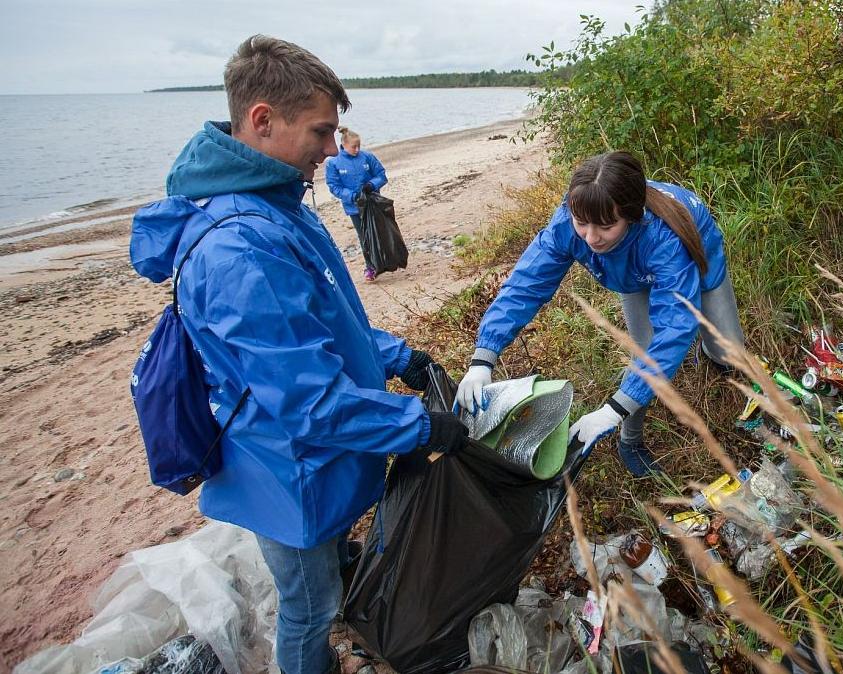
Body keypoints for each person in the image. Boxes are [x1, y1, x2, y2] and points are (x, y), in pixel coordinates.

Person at [128, 35, 467, 674]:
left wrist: (402, 359)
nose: (331, 149)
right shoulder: (239, 248)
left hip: (315, 464)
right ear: (262, 120)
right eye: (320, 131)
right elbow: (310, 403)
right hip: (287, 473)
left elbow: (327, 323)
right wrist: (420, 425)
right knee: (308, 608)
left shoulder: (278, 207)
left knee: (331, 577)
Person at [454, 151, 746, 477]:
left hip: (696, 251)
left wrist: (611, 409)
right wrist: (483, 358)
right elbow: (525, 285)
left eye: (605, 226)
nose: (591, 238)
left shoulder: (664, 239)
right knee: (643, 352)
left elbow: (676, 326)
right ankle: (630, 441)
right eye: (583, 224)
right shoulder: (569, 221)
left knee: (728, 352)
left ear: (632, 216)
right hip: (633, 273)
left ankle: (709, 353)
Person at [325, 126, 389, 281]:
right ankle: (371, 268)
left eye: (359, 146)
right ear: (344, 145)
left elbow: (381, 175)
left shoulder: (367, 157)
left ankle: (386, 260)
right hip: (354, 207)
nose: (357, 149)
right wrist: (352, 196)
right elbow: (334, 186)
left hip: (372, 203)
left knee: (379, 233)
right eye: (354, 146)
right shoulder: (334, 163)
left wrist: (371, 185)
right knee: (364, 237)